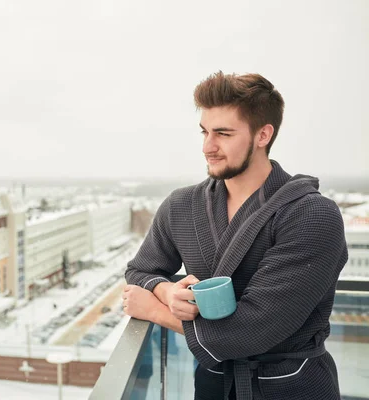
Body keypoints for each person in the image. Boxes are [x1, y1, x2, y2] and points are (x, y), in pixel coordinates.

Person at [123, 71, 347, 400]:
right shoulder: (183, 205)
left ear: (263, 135)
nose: (207, 147)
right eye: (205, 132)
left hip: (293, 386)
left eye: (223, 134)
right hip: (213, 386)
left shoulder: (312, 215)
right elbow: (140, 270)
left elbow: (249, 330)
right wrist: (167, 290)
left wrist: (156, 311)